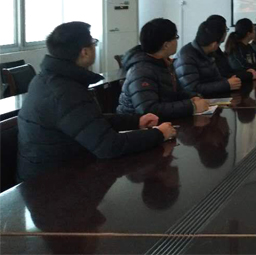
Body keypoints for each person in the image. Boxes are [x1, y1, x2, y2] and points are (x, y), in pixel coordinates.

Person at [17, 22, 175, 182]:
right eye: (93, 42)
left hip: (55, 169)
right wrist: (159, 134)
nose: (95, 46)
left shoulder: (47, 79)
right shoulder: (65, 91)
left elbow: (88, 121)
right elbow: (109, 146)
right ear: (84, 52)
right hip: (49, 182)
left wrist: (136, 121)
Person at [117, 18, 209, 118]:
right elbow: (148, 110)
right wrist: (191, 107)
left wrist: (193, 97)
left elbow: (175, 93)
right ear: (166, 45)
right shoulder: (141, 71)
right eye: (176, 37)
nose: (177, 41)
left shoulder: (163, 62)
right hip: (135, 124)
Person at [173, 20, 242, 97]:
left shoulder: (208, 53)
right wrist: (226, 84)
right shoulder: (186, 57)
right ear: (214, 44)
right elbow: (192, 89)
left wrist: (228, 81)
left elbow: (216, 78)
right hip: (197, 100)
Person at [206, 15, 256, 82]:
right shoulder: (210, 52)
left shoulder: (217, 50)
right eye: (226, 29)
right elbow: (223, 76)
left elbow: (229, 72)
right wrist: (248, 74)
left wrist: (247, 73)